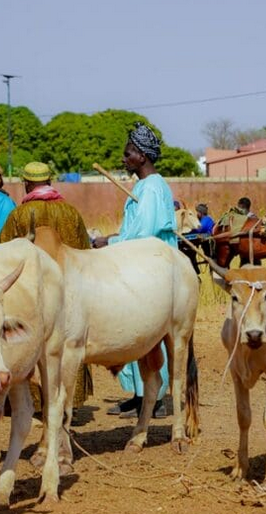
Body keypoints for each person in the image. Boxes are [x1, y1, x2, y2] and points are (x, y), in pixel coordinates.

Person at [92, 123, 175, 419]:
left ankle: (155, 398)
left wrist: (108, 242)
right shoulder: (143, 186)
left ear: (141, 155)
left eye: (128, 154)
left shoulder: (152, 187)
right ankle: (140, 395)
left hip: (150, 270)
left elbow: (144, 232)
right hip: (136, 267)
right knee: (135, 331)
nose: (124, 159)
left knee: (148, 334)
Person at [0, 161, 93, 411]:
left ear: (27, 184)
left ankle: (37, 403)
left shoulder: (18, 215)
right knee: (69, 343)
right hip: (69, 293)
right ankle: (68, 400)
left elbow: (4, 254)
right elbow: (85, 252)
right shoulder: (70, 212)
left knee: (34, 344)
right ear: (50, 182)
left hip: (33, 296)